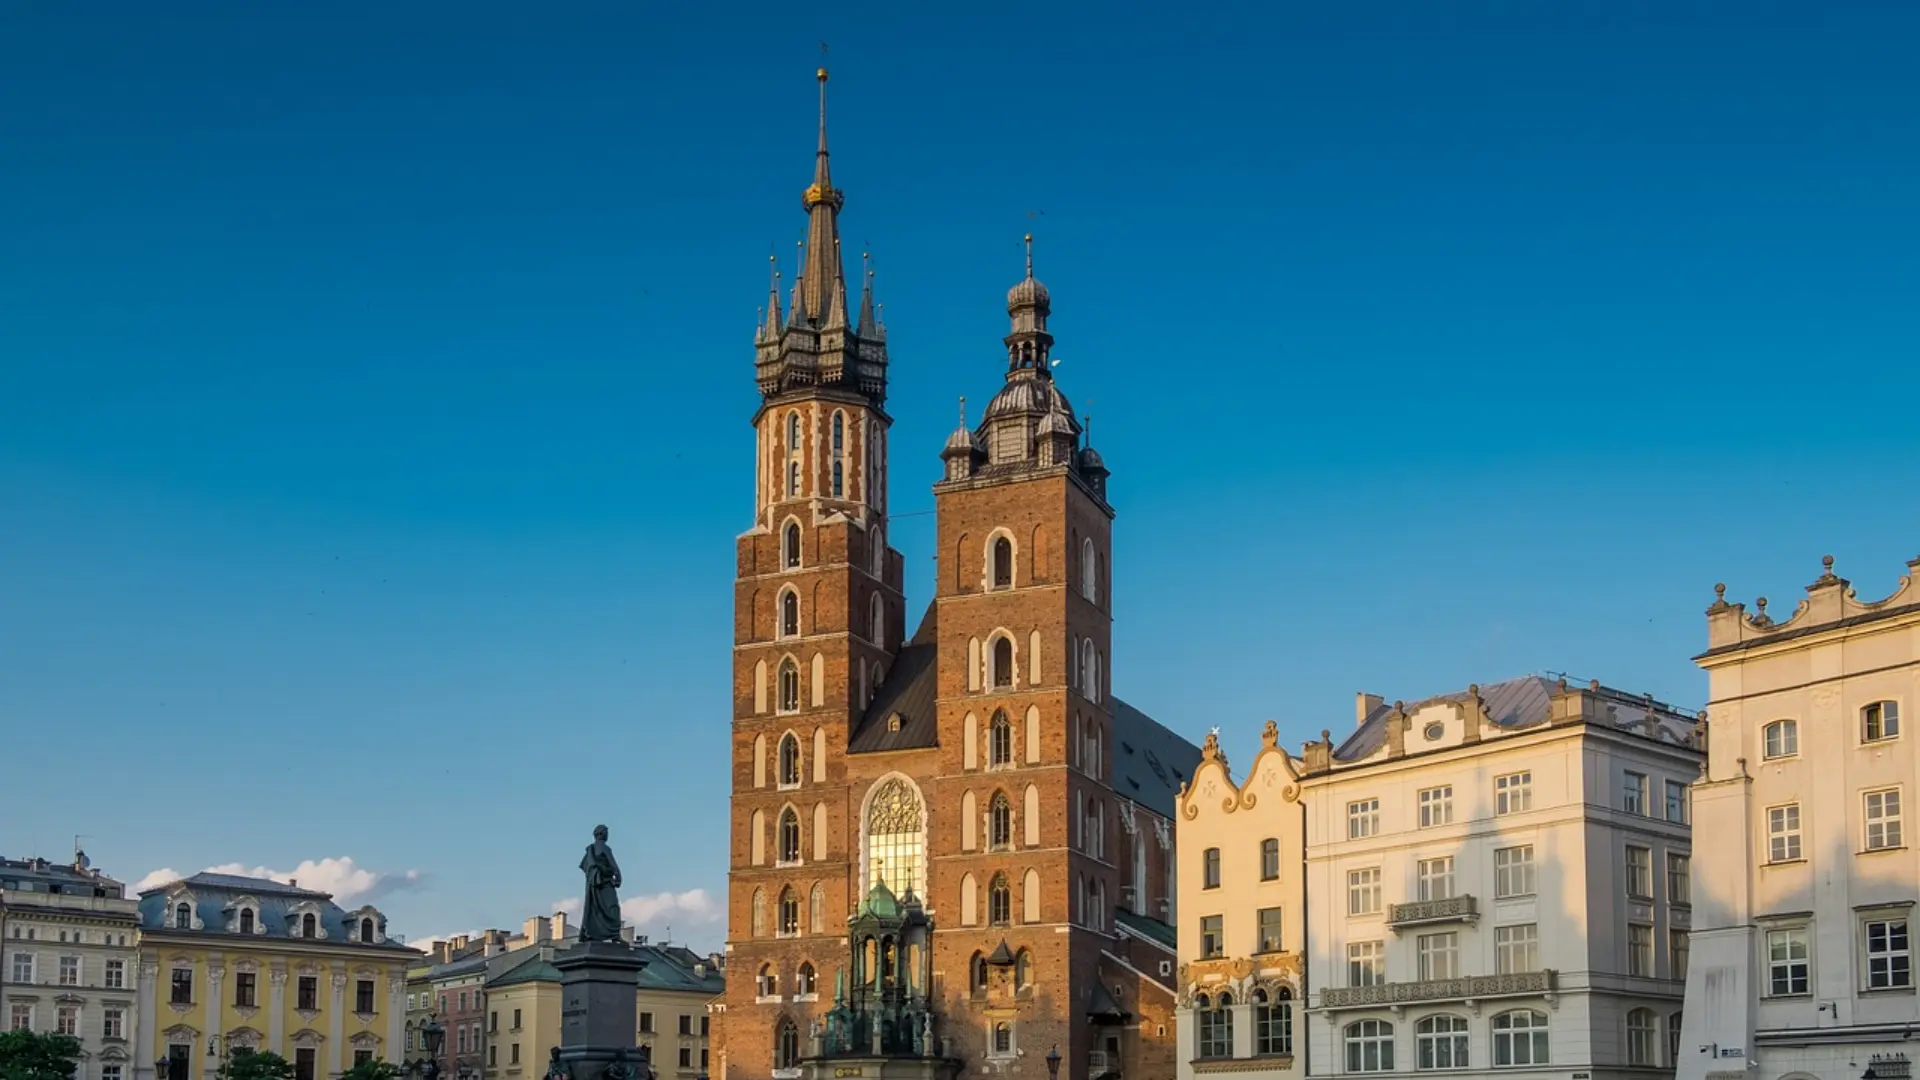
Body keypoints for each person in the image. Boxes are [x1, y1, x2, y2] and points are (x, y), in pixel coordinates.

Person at [579, 824, 623, 941]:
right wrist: (618, 877)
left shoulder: (590, 851)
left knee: (595, 910)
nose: (607, 835)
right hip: (606, 883)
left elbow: (585, 867)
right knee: (613, 907)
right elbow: (613, 864)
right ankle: (614, 934)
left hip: (593, 885)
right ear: (601, 834)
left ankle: (592, 933)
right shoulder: (604, 847)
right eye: (606, 832)